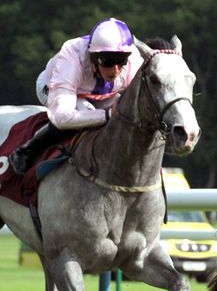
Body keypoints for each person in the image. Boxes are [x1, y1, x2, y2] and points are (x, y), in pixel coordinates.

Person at [9, 17, 143, 175]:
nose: (115, 70)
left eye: (121, 61)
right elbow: (62, 117)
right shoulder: (72, 56)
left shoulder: (133, 58)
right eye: (107, 61)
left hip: (101, 94)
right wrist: (107, 114)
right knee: (86, 114)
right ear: (94, 57)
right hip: (53, 87)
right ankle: (26, 151)